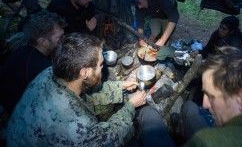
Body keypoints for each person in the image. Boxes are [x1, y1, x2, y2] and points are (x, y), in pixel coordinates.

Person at [7, 33, 147, 146]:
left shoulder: (51, 72)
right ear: (84, 72)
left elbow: (87, 94)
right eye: (100, 65)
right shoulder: (75, 123)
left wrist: (119, 86)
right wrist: (130, 106)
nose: (102, 68)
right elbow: (106, 140)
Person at [135, 46, 242, 147]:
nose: (205, 104)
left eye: (211, 96)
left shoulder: (208, 141)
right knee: (190, 107)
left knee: (148, 114)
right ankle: (179, 132)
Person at [0, 10, 66, 115]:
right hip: (19, 114)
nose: (63, 40)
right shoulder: (43, 69)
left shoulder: (21, 50)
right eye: (59, 38)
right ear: (43, 41)